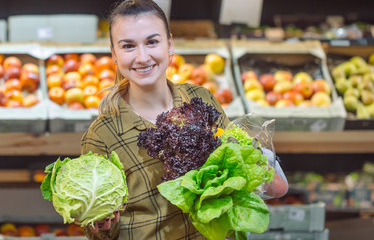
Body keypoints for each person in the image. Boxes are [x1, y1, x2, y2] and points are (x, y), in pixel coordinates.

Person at [81, 0, 288, 239]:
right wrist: (102, 225)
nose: (142, 57)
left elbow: (241, 172)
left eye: (152, 42)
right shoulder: (102, 135)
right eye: (128, 46)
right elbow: (97, 231)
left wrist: (258, 161)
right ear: (114, 54)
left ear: (169, 44)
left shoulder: (201, 98)